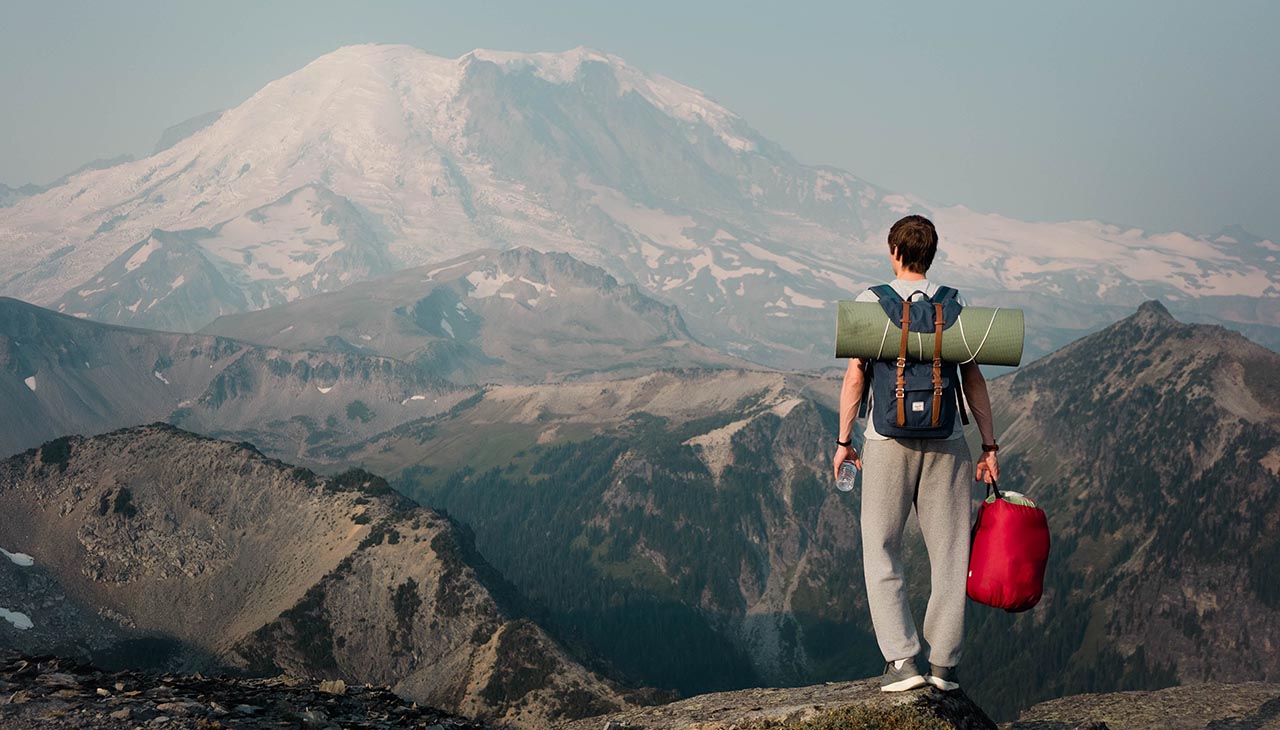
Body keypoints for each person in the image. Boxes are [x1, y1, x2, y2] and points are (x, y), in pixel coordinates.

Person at [833, 214, 999, 693]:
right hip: (948, 442)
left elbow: (855, 377)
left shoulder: (870, 302)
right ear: (931, 253)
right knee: (950, 552)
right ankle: (944, 666)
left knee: (882, 547)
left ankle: (903, 662)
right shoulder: (953, 303)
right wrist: (988, 446)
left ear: (893, 251)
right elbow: (973, 380)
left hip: (887, 443)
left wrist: (845, 441)